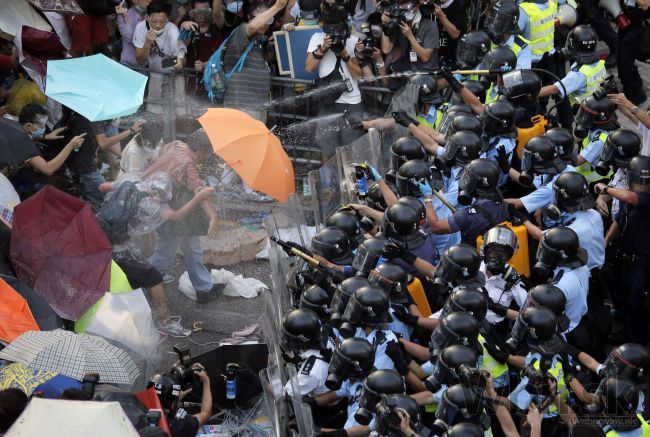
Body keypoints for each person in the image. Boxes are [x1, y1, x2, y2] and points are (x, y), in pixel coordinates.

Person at [98, 173, 214, 336]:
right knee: (154, 278)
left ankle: (128, 312)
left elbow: (102, 187)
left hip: (97, 237)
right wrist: (198, 197)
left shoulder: (132, 182)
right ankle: (165, 322)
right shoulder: (152, 205)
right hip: (118, 249)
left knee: (125, 280)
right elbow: (177, 216)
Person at [144, 129, 220, 304]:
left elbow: (158, 158)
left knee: (192, 246)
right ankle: (141, 287)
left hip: (161, 202)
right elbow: (199, 191)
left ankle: (204, 289)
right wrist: (213, 216)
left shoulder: (175, 145)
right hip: (165, 209)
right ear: (201, 149)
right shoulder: (188, 164)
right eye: (206, 153)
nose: (205, 157)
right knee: (165, 254)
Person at [597, 155, 650, 344]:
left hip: (642, 267)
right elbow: (619, 220)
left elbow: (629, 197)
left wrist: (606, 189)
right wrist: (606, 240)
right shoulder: (631, 197)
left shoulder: (640, 198)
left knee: (637, 307)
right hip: (625, 261)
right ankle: (623, 336)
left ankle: (636, 349)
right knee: (621, 299)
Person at [306, 13, 363, 160]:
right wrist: (323, 48)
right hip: (327, 101)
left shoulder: (353, 41)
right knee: (327, 149)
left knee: (352, 150)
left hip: (351, 102)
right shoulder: (317, 38)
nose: (334, 34)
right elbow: (309, 67)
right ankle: (329, 182)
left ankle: (349, 182)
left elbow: (359, 75)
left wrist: (344, 53)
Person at [220, 0, 288, 122]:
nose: (264, 23)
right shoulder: (240, 32)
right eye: (260, 19)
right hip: (242, 106)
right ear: (249, 18)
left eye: (268, 19)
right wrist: (278, 6)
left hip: (257, 105)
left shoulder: (258, 40)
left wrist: (270, 49)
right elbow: (251, 27)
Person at [10, 104, 85, 198]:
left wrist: (46, 136)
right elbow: (48, 169)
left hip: (25, 165)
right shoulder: (22, 144)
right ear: (29, 125)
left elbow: (30, 135)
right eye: (41, 126)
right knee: (59, 184)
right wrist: (70, 146)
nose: (44, 128)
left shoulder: (17, 126)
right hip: (17, 176)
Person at [538, 25, 607, 115]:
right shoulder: (600, 64)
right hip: (601, 109)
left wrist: (532, 93)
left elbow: (555, 89)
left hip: (587, 114)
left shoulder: (579, 74)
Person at [147, 365, 212, 437]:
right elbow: (205, 414)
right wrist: (206, 380)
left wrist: (175, 398)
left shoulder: (138, 416)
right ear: (172, 404)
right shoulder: (181, 424)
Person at [381, 0, 440, 74]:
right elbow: (386, 49)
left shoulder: (430, 25)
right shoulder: (399, 24)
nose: (405, 11)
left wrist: (410, 36)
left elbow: (425, 57)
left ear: (417, 6)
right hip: (408, 72)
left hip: (427, 72)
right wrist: (385, 24)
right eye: (402, 8)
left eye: (409, 7)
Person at [134, 0, 187, 72]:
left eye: (162, 21)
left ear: (167, 19)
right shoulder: (141, 27)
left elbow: (183, 60)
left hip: (172, 72)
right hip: (152, 70)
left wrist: (179, 63)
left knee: (160, 64)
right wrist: (147, 43)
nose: (158, 25)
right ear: (148, 18)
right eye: (154, 21)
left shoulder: (173, 31)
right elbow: (140, 61)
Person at [616, 0, 649, 105]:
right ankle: (628, 90)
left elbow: (646, 5)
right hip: (626, 17)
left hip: (637, 22)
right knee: (620, 59)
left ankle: (638, 94)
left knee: (625, 61)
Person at [178, 0, 224, 73]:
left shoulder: (216, 28)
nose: (202, 16)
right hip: (190, 75)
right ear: (193, 12)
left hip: (211, 75)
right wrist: (183, 27)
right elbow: (179, 50)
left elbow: (220, 57)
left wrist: (205, 65)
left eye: (205, 12)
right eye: (199, 12)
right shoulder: (189, 27)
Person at [484, 0, 532, 70]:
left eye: (498, 20)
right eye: (493, 18)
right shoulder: (486, 40)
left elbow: (520, 76)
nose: (493, 23)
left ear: (509, 24)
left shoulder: (523, 48)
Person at [116, 0, 152, 66]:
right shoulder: (123, 14)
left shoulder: (151, 16)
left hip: (146, 66)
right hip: (128, 66)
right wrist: (126, 17)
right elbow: (130, 38)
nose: (149, 1)